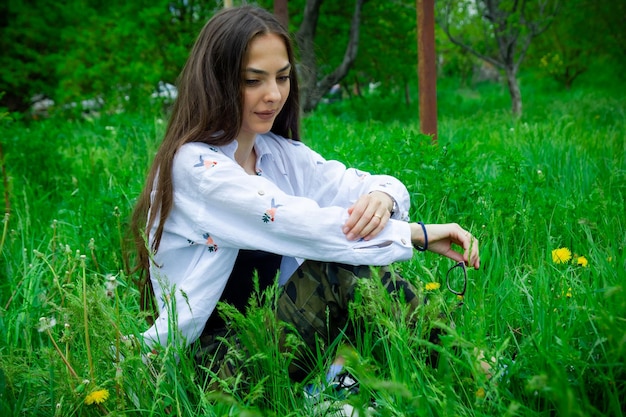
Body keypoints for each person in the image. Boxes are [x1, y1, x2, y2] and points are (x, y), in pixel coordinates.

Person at [130, 5, 480, 386]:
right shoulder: (194, 169)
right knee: (341, 267)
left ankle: (435, 376)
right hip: (211, 368)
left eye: (282, 78)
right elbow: (295, 221)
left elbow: (353, 182)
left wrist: (383, 197)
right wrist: (416, 234)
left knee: (352, 267)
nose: (274, 94)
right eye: (253, 81)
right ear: (217, 81)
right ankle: (468, 375)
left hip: (268, 342)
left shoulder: (274, 153)